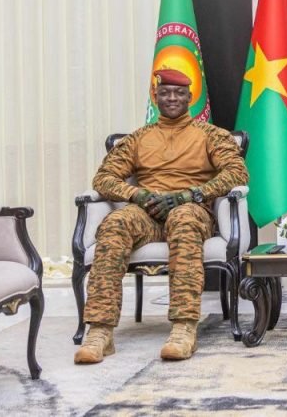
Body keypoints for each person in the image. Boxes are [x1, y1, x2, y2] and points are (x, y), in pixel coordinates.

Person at [74, 68, 248, 364]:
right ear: (155, 97)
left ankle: (184, 328)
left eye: (179, 93)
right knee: (115, 223)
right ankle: (100, 331)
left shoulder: (211, 135)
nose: (172, 98)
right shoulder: (138, 139)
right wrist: (137, 195)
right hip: (148, 214)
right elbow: (103, 178)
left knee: (183, 218)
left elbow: (236, 172)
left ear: (190, 97)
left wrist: (191, 195)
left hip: (192, 211)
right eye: (165, 93)